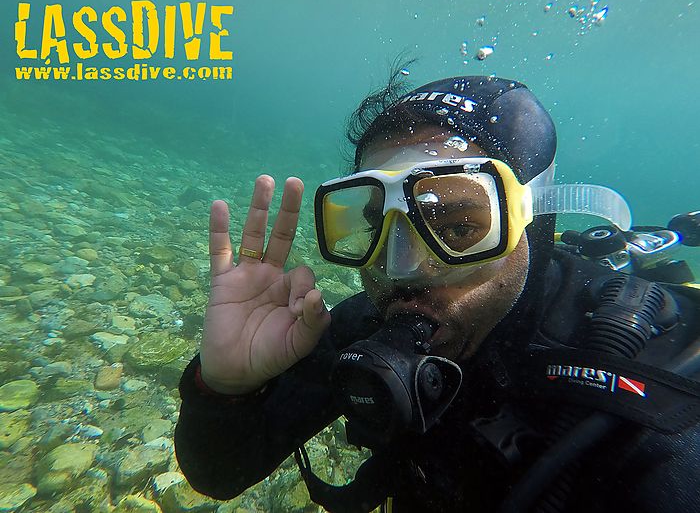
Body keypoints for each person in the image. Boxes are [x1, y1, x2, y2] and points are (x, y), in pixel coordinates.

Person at [174, 74, 700, 512]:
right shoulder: (368, 325)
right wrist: (224, 389)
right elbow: (219, 474)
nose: (400, 268)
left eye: (456, 224)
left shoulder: (659, 419)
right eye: (376, 223)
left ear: (531, 222)